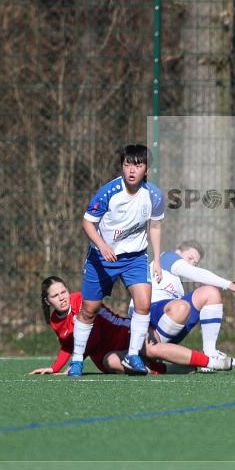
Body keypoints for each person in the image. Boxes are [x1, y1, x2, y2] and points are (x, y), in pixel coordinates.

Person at [67, 144, 164, 377]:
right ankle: (78, 360)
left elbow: (156, 225)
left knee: (143, 304)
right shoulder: (108, 192)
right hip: (102, 257)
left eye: (138, 165)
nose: (131, 170)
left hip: (135, 258)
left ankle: (133, 356)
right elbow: (87, 223)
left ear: (147, 169)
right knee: (89, 309)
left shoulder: (154, 195)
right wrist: (102, 246)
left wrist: (157, 260)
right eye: (127, 164)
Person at [29, 276, 234, 375]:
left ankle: (209, 361)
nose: (62, 298)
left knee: (150, 348)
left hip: (126, 334)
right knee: (110, 362)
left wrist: (77, 361)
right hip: (107, 354)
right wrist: (54, 367)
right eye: (55, 296)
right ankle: (172, 369)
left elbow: (95, 336)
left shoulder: (80, 300)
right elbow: (67, 344)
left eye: (63, 292)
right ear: (48, 301)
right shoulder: (55, 320)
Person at [135, 240, 235, 371]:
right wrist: (229, 284)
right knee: (181, 307)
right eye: (189, 258)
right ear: (178, 252)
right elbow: (196, 273)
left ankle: (210, 353)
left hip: (168, 322)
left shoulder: (176, 284)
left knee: (210, 293)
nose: (191, 264)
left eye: (195, 263)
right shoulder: (167, 257)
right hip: (150, 316)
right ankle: (154, 355)